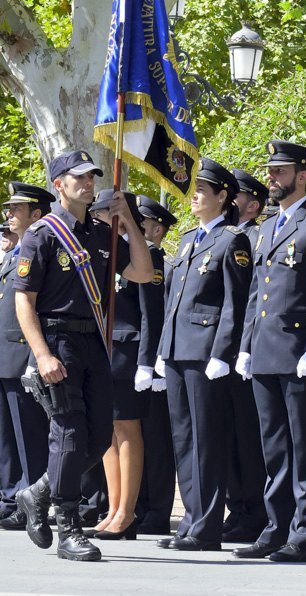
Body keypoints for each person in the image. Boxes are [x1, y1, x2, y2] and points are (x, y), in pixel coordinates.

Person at [13, 149, 153, 561]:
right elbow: (24, 301)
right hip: (58, 343)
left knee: (98, 438)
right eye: (79, 178)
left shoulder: (101, 232)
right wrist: (42, 356)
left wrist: (127, 224)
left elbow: (143, 273)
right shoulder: (41, 234)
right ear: (60, 185)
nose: (88, 184)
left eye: (92, 177)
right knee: (69, 434)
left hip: (95, 342)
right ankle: (68, 528)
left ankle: (38, 492)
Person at [234, 141, 306, 563]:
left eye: (279, 172)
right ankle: (276, 526)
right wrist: (245, 346)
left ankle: (305, 534)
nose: (271, 178)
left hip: (301, 354)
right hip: (265, 350)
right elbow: (254, 297)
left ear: (302, 176)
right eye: (270, 171)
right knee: (275, 447)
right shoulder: (264, 229)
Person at [155, 158, 252, 551]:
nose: (193, 196)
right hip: (179, 350)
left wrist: (222, 352)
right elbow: (174, 301)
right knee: (184, 439)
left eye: (201, 190)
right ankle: (192, 521)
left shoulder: (232, 239)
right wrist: (164, 348)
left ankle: (208, 526)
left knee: (208, 441)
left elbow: (235, 303)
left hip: (207, 353)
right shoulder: (187, 240)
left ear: (222, 196)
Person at [0, 183, 52, 530]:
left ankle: (27, 501)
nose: (9, 214)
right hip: (1, 357)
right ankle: (8, 497)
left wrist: (35, 357)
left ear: (36, 214)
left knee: (27, 438)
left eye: (16, 209)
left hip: (22, 355)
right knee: (3, 437)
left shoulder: (39, 249)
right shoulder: (11, 256)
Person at [84, 189, 157, 542]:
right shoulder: (100, 254)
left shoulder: (139, 254)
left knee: (127, 431)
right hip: (104, 349)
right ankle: (114, 508)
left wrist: (147, 361)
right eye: (97, 214)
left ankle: (127, 513)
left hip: (129, 352)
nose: (99, 220)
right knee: (109, 432)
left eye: (106, 214)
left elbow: (150, 314)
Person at [221, 168, 271, 542]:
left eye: (234, 197)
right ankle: (236, 507)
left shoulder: (255, 236)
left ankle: (253, 511)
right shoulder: (230, 237)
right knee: (232, 437)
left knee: (250, 439)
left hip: (248, 348)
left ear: (252, 204)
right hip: (228, 351)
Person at [133, 194, 180, 536]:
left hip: (153, 362)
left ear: (158, 229)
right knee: (137, 436)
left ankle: (158, 510)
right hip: (135, 362)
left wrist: (154, 362)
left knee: (157, 441)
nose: (135, 227)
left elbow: (155, 316)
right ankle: (139, 504)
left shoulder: (158, 262)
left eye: (142, 222)